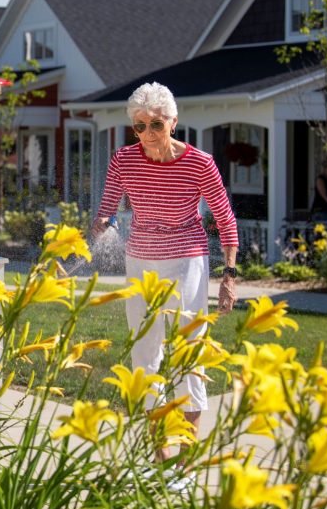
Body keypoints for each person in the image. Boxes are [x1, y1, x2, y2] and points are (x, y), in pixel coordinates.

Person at [90, 82, 238, 463]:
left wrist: (229, 276)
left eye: (155, 125)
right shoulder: (124, 160)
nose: (147, 135)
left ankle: (186, 458)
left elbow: (225, 219)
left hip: (186, 259)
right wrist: (102, 223)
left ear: (173, 121)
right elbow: (108, 205)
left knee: (188, 351)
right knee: (145, 352)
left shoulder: (199, 163)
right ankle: (160, 456)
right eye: (139, 127)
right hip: (140, 259)